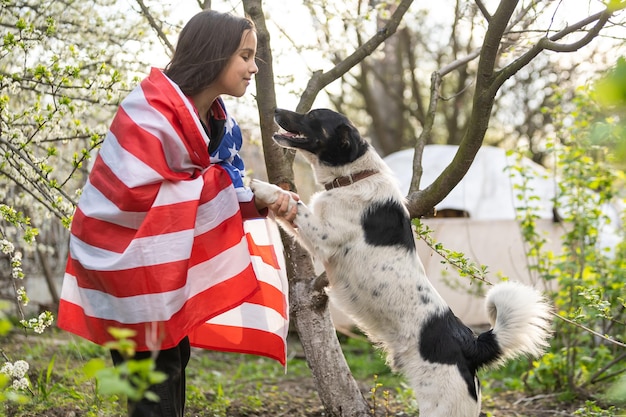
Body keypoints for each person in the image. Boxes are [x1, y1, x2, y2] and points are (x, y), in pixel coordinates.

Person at [57, 9, 297, 417]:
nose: (254, 68)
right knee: (155, 376)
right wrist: (248, 195)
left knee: (173, 359)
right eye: (245, 56)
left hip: (165, 266)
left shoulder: (218, 123)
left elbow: (214, 185)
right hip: (124, 260)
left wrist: (256, 197)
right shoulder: (148, 112)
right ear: (214, 54)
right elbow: (137, 196)